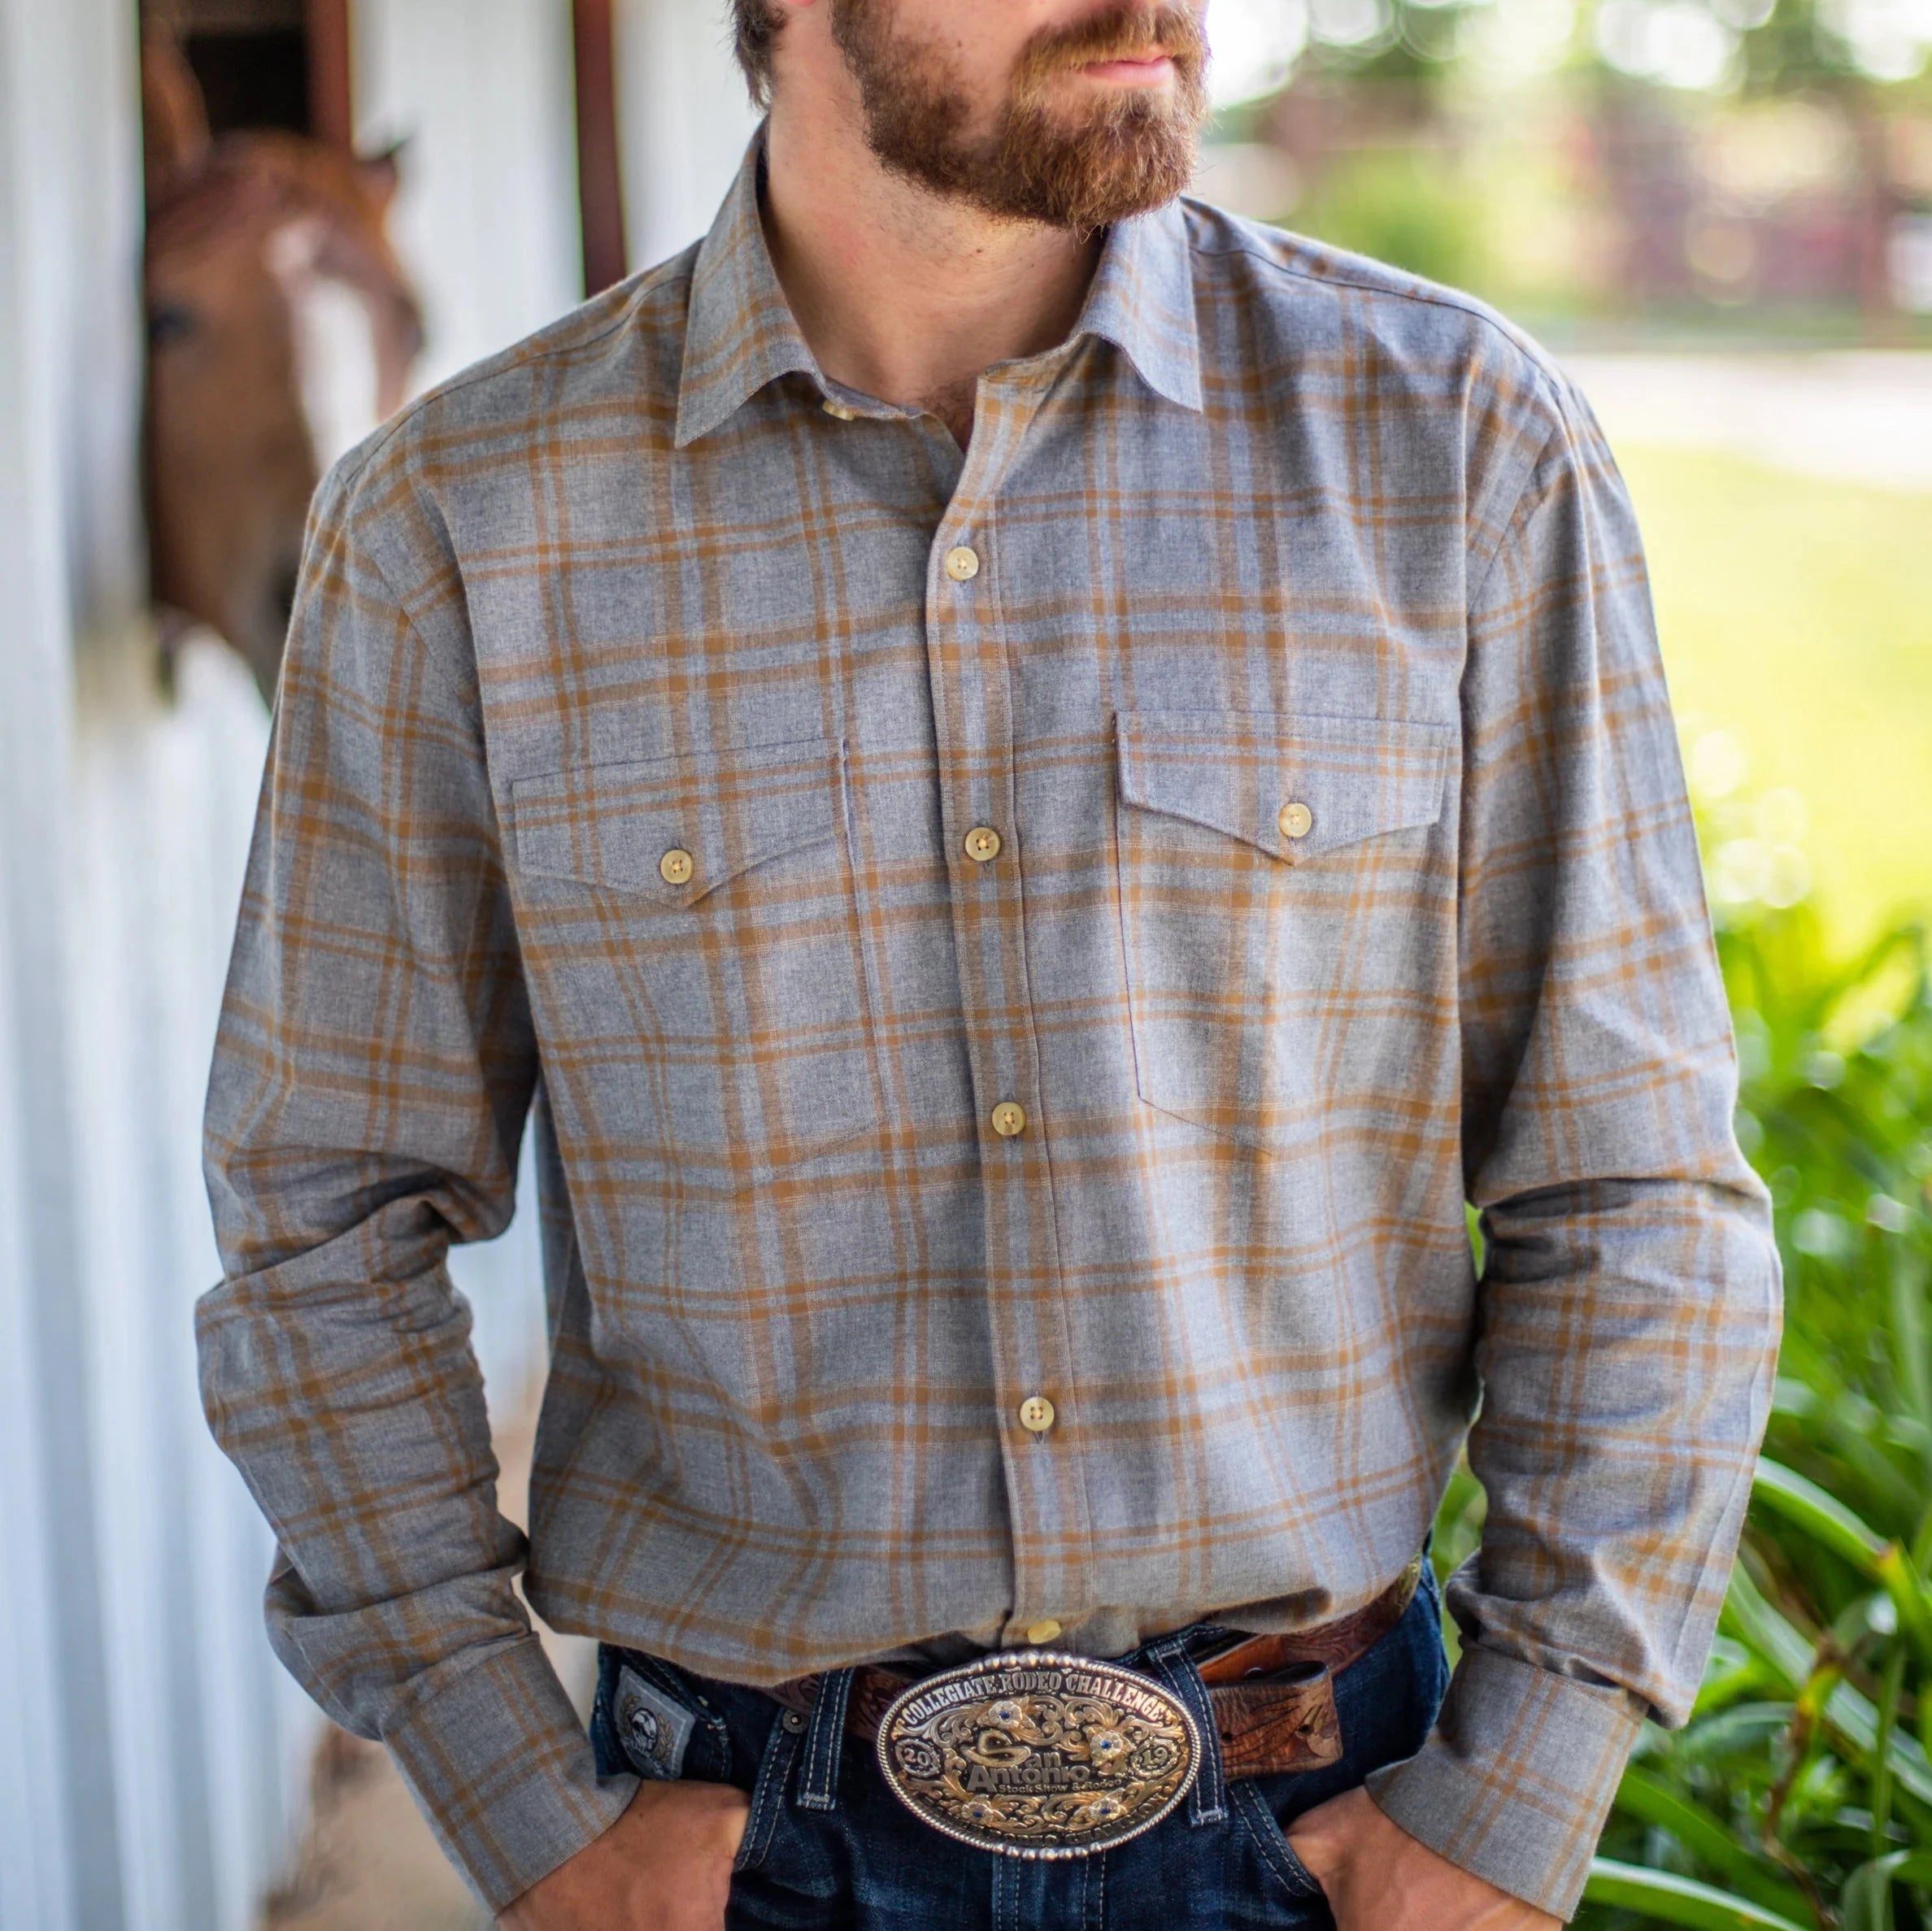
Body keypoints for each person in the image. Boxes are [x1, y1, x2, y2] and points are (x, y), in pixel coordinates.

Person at [194, 0, 1783, 1925]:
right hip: (743, 1849)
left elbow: (1633, 1182)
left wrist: (1519, 1796)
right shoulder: (459, 528)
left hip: (1329, 1834)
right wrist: (523, 1806)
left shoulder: (1452, 448)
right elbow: (319, 1222)